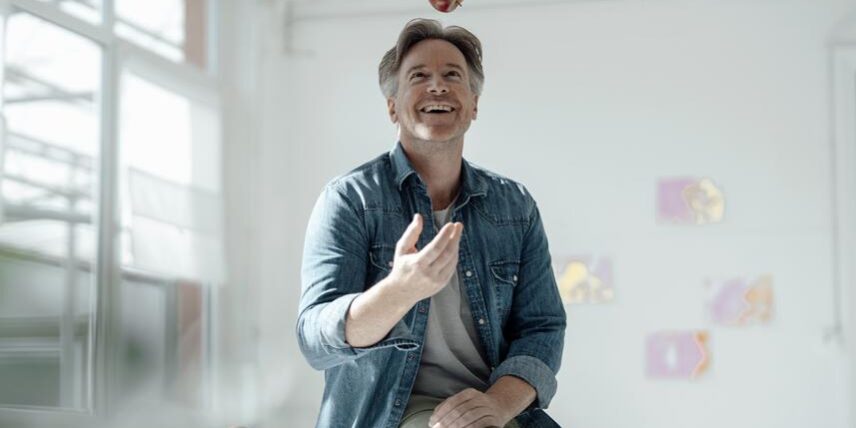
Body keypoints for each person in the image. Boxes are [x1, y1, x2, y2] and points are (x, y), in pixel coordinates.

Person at [297, 18, 566, 428]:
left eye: (452, 76)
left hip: (491, 407)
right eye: (419, 76)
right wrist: (397, 292)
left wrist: (496, 405)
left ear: (474, 103)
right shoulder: (350, 199)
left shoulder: (516, 206)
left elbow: (542, 328)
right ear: (392, 106)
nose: (437, 86)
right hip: (387, 413)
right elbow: (315, 339)